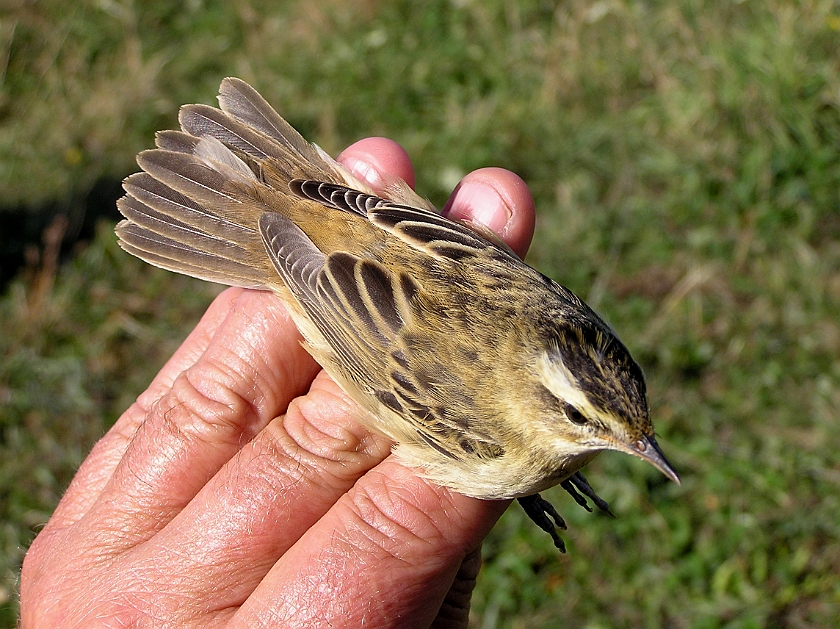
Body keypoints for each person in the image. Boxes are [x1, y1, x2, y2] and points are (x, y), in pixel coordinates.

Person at [20, 137, 537, 628]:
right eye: (581, 421)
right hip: (353, 307)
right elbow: (375, 352)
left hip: (388, 236)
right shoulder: (497, 427)